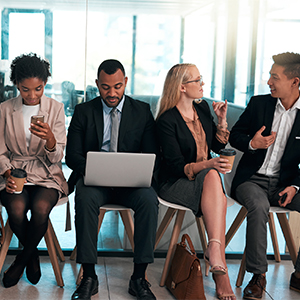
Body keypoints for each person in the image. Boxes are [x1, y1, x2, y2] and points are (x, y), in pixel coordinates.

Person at [66, 59, 160, 300]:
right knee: (84, 198)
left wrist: (140, 171)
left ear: (125, 82)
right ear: (97, 84)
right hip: (96, 182)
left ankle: (139, 277)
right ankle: (89, 276)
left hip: (131, 185)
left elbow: (152, 155)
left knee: (149, 200)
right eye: (106, 87)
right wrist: (94, 168)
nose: (112, 93)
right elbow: (72, 156)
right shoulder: (83, 111)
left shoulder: (142, 111)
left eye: (118, 86)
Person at [156, 63, 236, 300]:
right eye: (197, 80)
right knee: (214, 182)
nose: (203, 84)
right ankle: (217, 262)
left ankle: (215, 253)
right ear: (182, 87)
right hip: (175, 183)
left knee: (212, 178)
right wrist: (209, 165)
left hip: (205, 181)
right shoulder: (166, 121)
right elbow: (174, 167)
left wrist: (221, 121)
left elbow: (217, 147)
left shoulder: (201, 111)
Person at [229, 52, 300, 299]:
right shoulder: (259, 104)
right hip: (252, 180)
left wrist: (295, 186)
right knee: (258, 207)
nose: (269, 82)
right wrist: (252, 143)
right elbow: (233, 135)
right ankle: (257, 276)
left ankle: (299, 273)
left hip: (284, 184)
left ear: (295, 81)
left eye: (274, 77)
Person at [0, 53, 68, 288]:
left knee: (40, 208)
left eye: (38, 89)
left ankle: (21, 260)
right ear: (16, 85)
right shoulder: (4, 109)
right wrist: (8, 174)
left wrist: (50, 139)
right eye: (25, 89)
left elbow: (58, 157)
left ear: (45, 84)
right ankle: (33, 255)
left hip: (46, 173)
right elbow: (0, 152)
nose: (31, 95)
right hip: (15, 172)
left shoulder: (56, 108)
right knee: (16, 208)